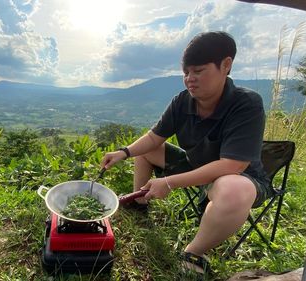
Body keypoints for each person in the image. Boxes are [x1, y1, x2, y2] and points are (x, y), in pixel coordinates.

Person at [100, 31, 269, 275]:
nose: (190, 79)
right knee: (148, 150)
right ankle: (139, 202)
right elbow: (153, 138)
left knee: (234, 188)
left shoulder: (246, 104)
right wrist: (123, 152)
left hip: (240, 179)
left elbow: (232, 166)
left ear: (226, 65)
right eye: (186, 72)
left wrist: (169, 182)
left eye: (198, 71)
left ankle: (194, 253)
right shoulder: (183, 101)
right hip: (195, 166)